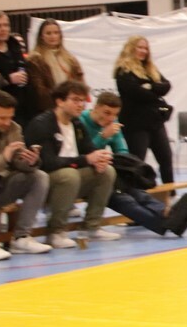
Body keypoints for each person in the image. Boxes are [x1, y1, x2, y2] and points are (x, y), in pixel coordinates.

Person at [80, 92, 187, 237]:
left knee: (136, 191)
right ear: (96, 107)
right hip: (86, 174)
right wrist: (103, 136)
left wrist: (119, 162)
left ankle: (165, 213)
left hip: (105, 171)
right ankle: (167, 219)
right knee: (123, 199)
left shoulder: (112, 123)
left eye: (114, 114)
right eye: (107, 113)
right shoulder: (81, 121)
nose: (110, 118)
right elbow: (82, 153)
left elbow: (122, 151)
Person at [24, 80, 119, 248]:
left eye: (83, 100)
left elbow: (89, 150)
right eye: (75, 100)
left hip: (70, 178)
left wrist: (99, 160)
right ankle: (56, 232)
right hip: (43, 181)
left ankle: (91, 226)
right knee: (69, 174)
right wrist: (86, 160)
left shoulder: (76, 124)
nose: (81, 105)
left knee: (107, 172)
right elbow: (47, 162)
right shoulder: (42, 124)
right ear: (60, 101)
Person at [0, 89, 51, 261]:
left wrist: (30, 161)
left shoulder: (14, 128)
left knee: (39, 177)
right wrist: (3, 158)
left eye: (10, 117)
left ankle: (21, 237)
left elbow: (16, 162)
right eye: (2, 118)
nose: (7, 122)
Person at [114, 35, 175, 185]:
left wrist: (149, 86)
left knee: (166, 158)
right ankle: (137, 192)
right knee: (137, 161)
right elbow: (137, 93)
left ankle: (171, 192)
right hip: (135, 124)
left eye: (146, 48)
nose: (143, 51)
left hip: (155, 122)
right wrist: (155, 91)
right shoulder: (123, 71)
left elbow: (166, 86)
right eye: (140, 47)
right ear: (131, 49)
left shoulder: (150, 68)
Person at [26, 19, 86, 116]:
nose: (53, 36)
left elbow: (80, 82)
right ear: (41, 36)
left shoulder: (70, 59)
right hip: (49, 110)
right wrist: (60, 102)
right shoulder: (35, 60)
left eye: (56, 33)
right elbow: (39, 90)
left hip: (71, 108)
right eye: (48, 33)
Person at [0, 9, 35, 126]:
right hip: (1, 108)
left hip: (24, 104)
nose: (3, 29)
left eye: (6, 25)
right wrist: (8, 79)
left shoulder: (15, 45)